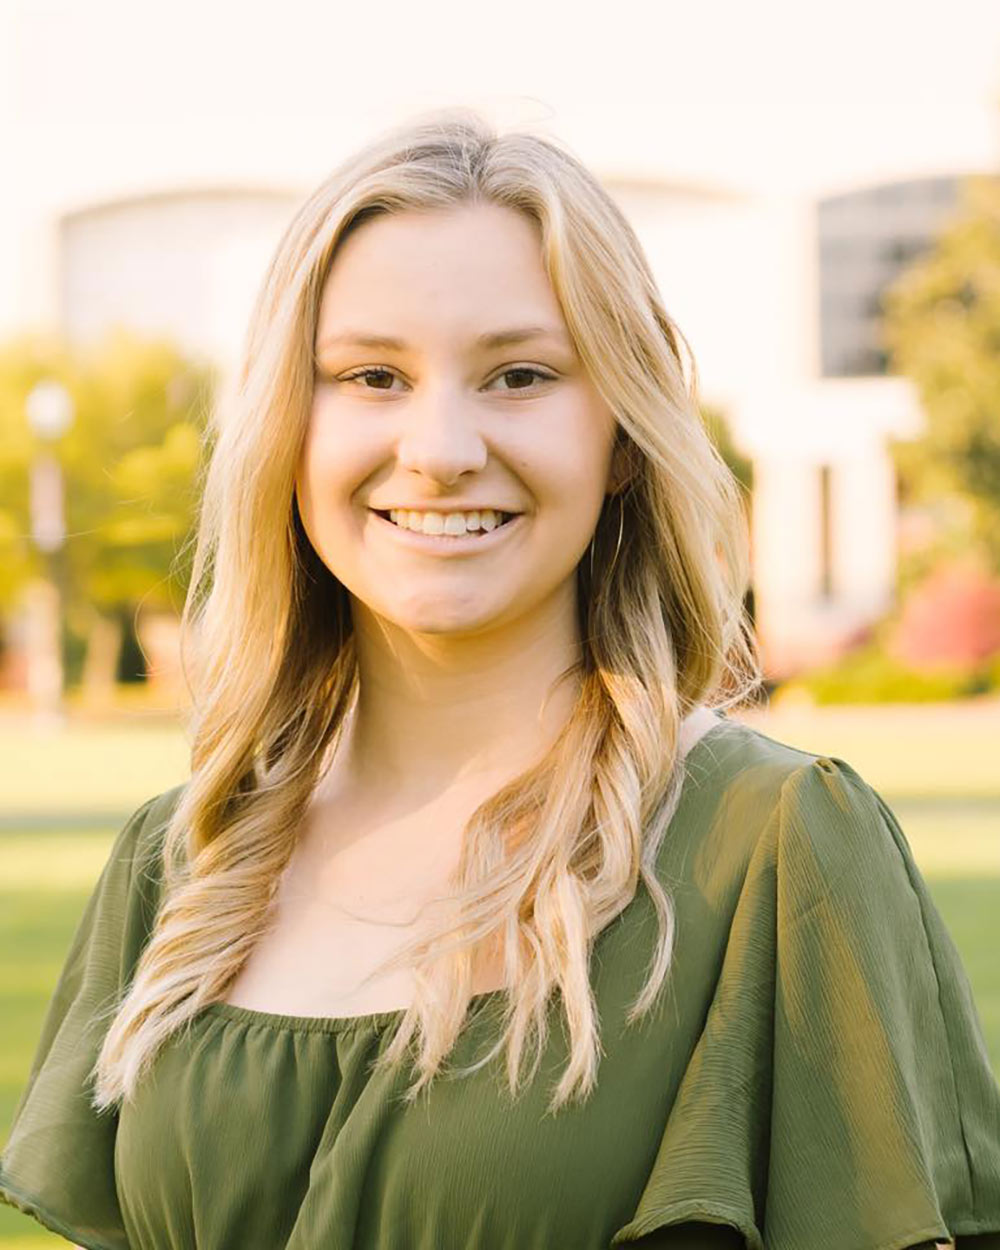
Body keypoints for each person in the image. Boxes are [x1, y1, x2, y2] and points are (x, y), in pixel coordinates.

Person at [1, 109, 998, 1250]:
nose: (438, 446)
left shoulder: (774, 846)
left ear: (620, 434)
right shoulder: (183, 861)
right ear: (288, 424)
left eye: (518, 374)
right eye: (371, 374)